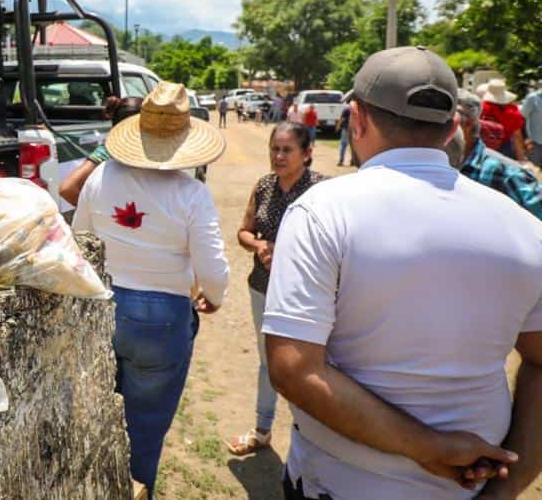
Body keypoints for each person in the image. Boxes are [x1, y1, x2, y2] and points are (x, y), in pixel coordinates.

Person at [263, 46, 542, 499]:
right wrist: (504, 491)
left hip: (336, 485)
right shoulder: (524, 228)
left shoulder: (323, 212)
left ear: (356, 120)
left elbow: (294, 369)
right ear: (454, 127)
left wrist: (426, 447)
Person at [72, 82, 229, 498]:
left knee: (98, 418)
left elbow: (81, 240)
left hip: (104, 306)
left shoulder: (102, 176)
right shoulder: (191, 194)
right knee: (144, 430)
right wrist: (213, 296)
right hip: (162, 319)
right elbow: (213, 269)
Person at [226, 122, 324, 457]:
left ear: (307, 153)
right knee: (270, 361)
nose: (278, 156)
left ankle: (313, 436)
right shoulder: (264, 186)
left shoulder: (322, 190)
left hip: (307, 294)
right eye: (274, 149)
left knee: (312, 364)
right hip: (263, 288)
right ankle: (263, 430)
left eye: (287, 150)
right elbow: (243, 231)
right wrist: (259, 246)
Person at [452, 89, 542, 220]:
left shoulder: (508, 174)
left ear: (468, 124)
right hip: (506, 148)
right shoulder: (513, 109)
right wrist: (521, 156)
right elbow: (516, 133)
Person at [58, 96, 144, 206]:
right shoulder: (108, 151)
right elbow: (67, 189)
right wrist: (95, 211)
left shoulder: (106, 150)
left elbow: (67, 189)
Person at [480, 79, 526, 161]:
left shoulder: (481, 108)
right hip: (505, 147)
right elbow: (517, 136)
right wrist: (521, 158)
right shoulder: (513, 112)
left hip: (483, 145)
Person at [520, 84, 542, 168]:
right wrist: (526, 139)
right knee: (534, 171)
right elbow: (521, 119)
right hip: (535, 142)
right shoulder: (532, 98)